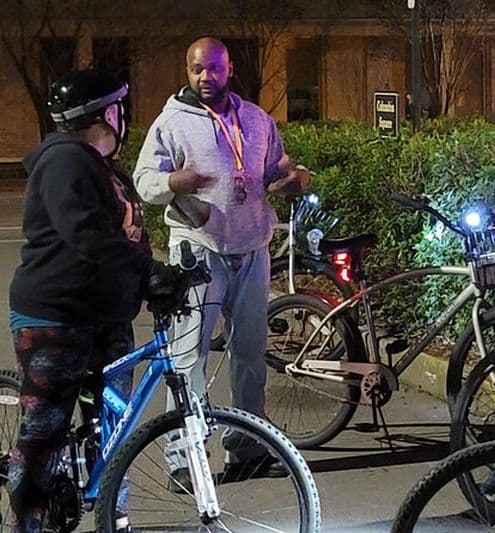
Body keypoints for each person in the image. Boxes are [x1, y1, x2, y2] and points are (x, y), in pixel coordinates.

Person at [133, 37, 310, 487]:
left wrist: (291, 179)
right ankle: (184, 458)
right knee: (187, 356)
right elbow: (144, 181)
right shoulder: (171, 122)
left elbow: (277, 167)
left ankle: (246, 450)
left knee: (249, 357)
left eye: (212, 68)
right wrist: (176, 179)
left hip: (251, 249)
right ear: (187, 71)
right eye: (196, 69)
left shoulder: (256, 119)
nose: (204, 77)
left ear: (229, 69)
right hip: (198, 251)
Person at [7, 70, 173, 533]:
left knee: (117, 429)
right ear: (106, 114)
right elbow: (89, 236)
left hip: (106, 319)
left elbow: (123, 240)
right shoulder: (65, 163)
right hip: (54, 319)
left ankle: (112, 517)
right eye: (120, 107)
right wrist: (148, 271)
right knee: (44, 433)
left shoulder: (101, 168)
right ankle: (26, 524)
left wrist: (159, 278)